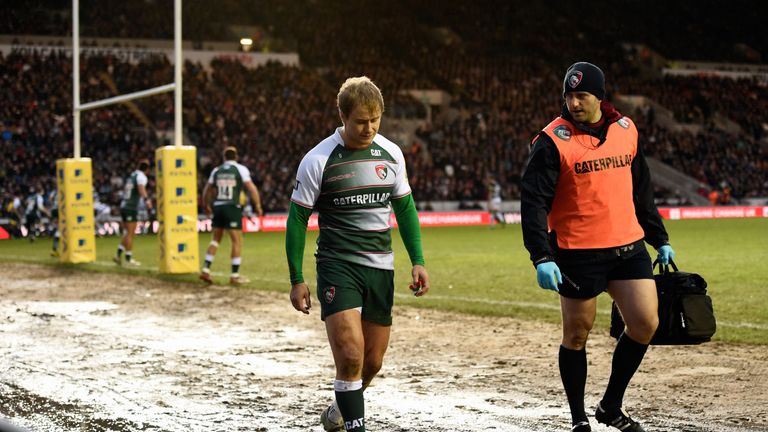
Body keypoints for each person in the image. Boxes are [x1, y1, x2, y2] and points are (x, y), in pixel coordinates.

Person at [521, 62, 676, 432]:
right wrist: (541, 256)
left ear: (600, 97)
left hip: (628, 247)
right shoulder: (551, 141)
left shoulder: (626, 130)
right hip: (578, 253)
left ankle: (610, 406)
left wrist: (660, 239)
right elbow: (534, 201)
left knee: (645, 323)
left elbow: (642, 191)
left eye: (582, 96)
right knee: (577, 334)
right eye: (569, 96)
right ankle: (579, 418)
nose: (574, 103)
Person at [286, 76, 430, 432]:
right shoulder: (318, 160)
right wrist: (297, 278)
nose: (369, 128)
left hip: (380, 268)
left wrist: (418, 261)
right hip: (338, 266)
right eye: (361, 121)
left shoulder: (391, 153)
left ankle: (339, 410)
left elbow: (405, 209)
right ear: (342, 116)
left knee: (372, 362)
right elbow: (297, 219)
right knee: (350, 356)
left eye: (375, 120)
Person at [199, 146, 263, 285]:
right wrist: (258, 205)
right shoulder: (240, 169)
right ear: (236, 157)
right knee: (236, 241)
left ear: (224, 157)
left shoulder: (216, 170)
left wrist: (206, 205)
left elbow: (206, 190)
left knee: (215, 240)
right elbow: (251, 188)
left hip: (218, 207)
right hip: (232, 207)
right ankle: (234, 276)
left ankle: (205, 270)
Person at [113, 159, 152, 266]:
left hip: (124, 206)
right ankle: (128, 259)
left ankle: (117, 255)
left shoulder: (133, 175)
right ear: (147, 169)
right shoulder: (141, 177)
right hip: (131, 207)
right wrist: (147, 200)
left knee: (127, 233)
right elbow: (141, 188)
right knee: (130, 234)